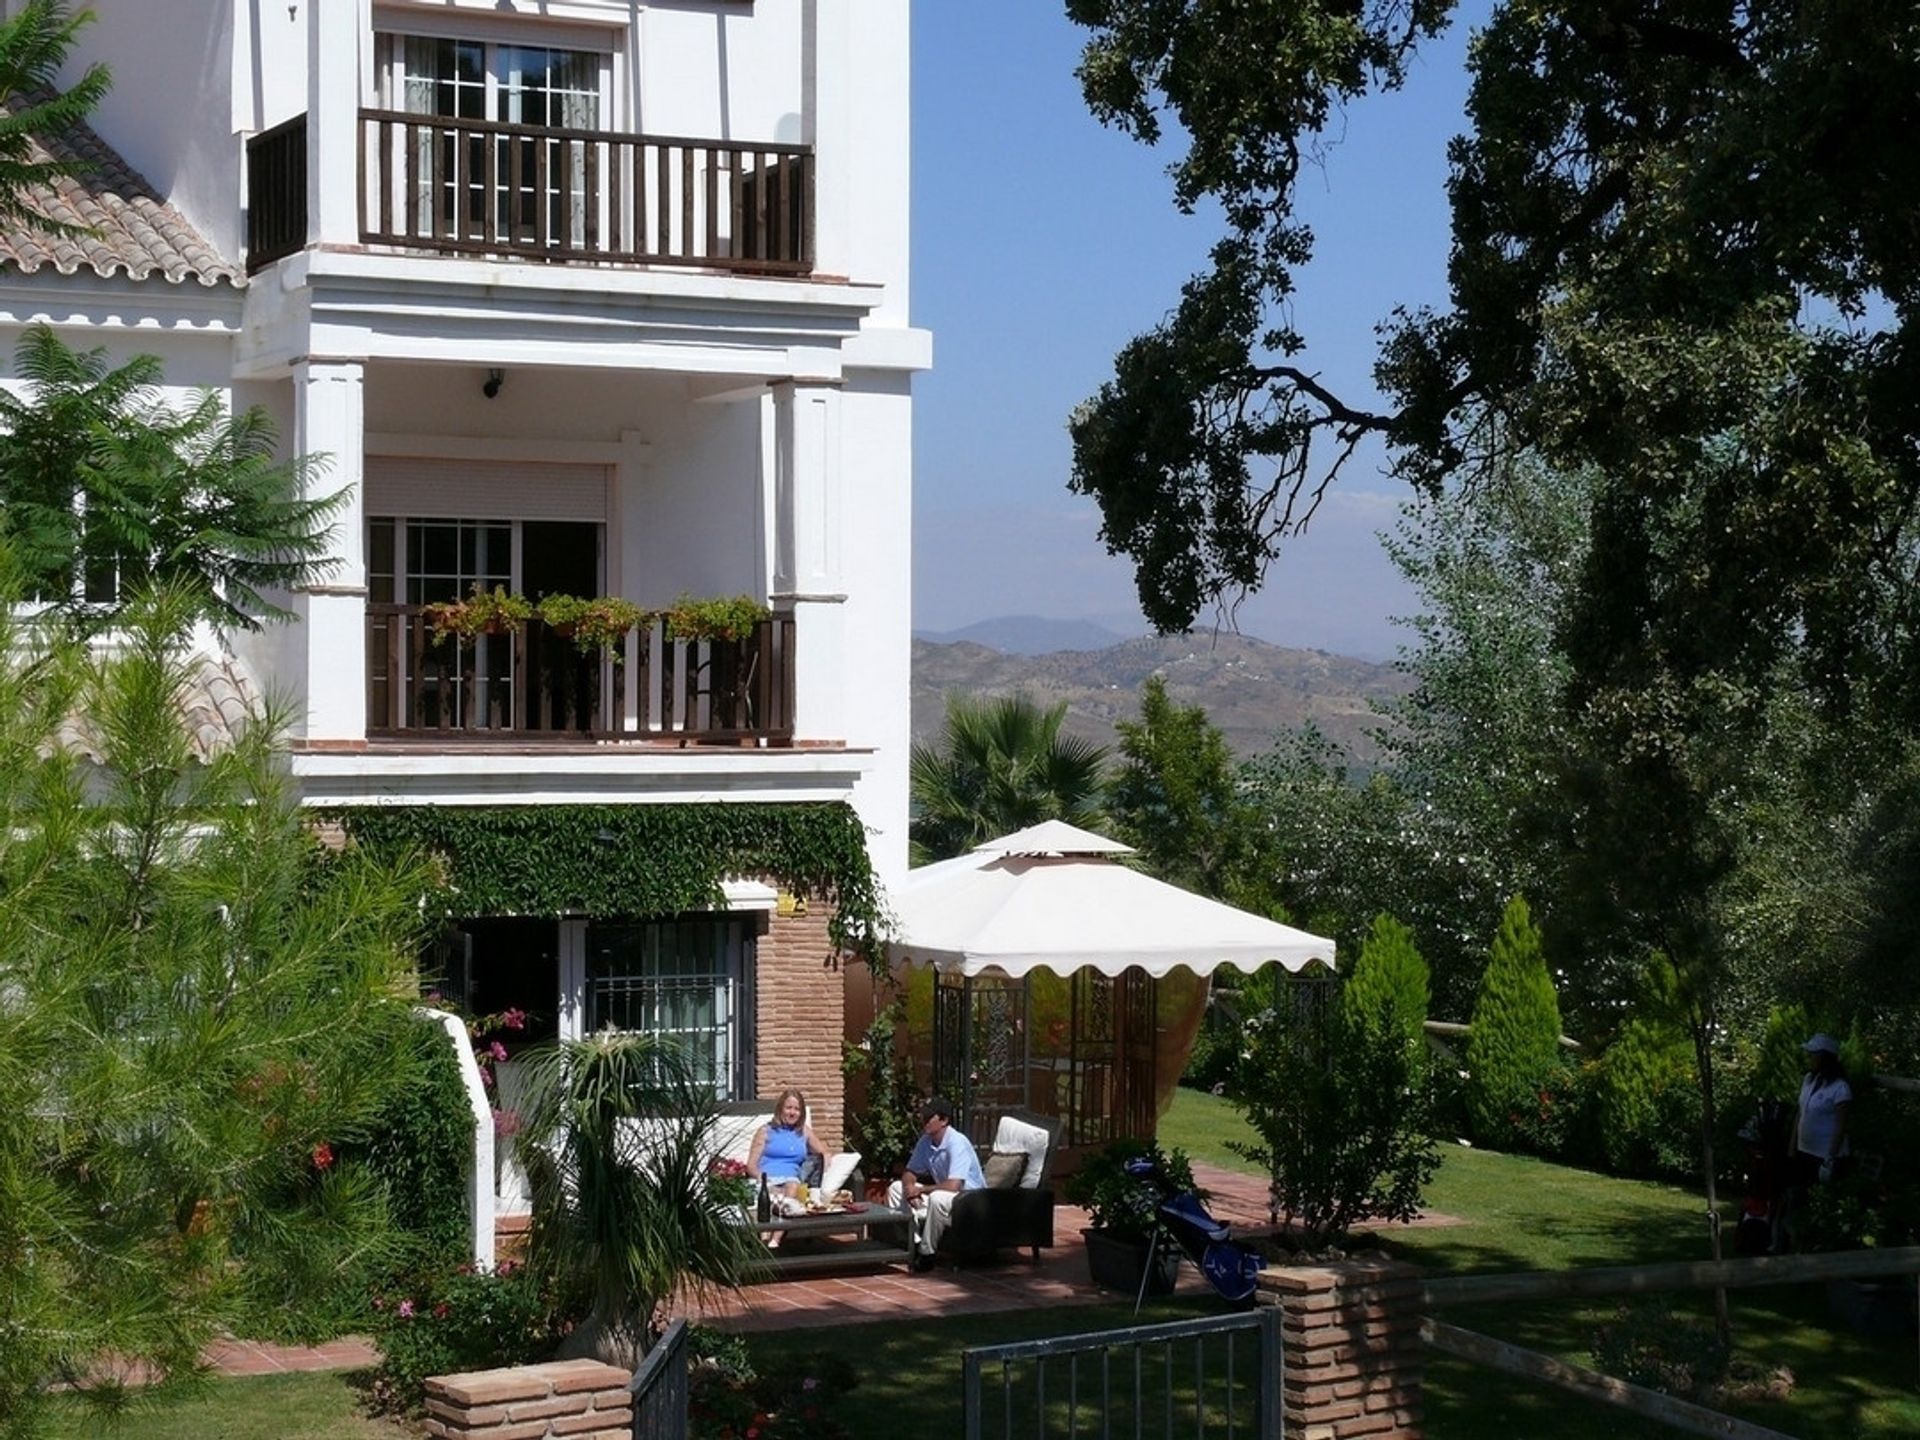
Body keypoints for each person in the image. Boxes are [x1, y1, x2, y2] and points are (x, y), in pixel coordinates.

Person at [888, 1095, 986, 1267]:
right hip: (947, 1195)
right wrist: (910, 1189)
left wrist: (921, 1190)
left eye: (928, 1117)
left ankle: (927, 1254)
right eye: (923, 1116)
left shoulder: (957, 1143)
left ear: (944, 1120)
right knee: (896, 1188)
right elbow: (909, 1172)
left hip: (970, 1199)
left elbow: (954, 1185)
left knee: (938, 1197)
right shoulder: (925, 1141)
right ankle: (914, 1243)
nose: (923, 1121)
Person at [1790, 1034, 1852, 1190]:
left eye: (1813, 1055)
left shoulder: (1840, 1088)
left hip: (1824, 1156)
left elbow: (1840, 1126)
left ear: (1824, 1058)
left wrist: (1829, 1159)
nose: (1810, 1058)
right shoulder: (1809, 1080)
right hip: (1803, 1151)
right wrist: (1792, 1147)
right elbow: (1800, 1114)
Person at [746, 1088, 823, 1198]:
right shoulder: (765, 1131)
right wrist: (761, 1177)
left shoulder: (804, 1131)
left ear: (801, 1113)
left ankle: (783, 1208)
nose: (792, 1112)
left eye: (797, 1109)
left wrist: (825, 1178)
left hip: (791, 1181)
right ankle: (783, 1205)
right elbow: (751, 1166)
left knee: (792, 1187)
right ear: (780, 1109)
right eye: (788, 1108)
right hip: (767, 1179)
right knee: (783, 1191)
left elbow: (824, 1154)